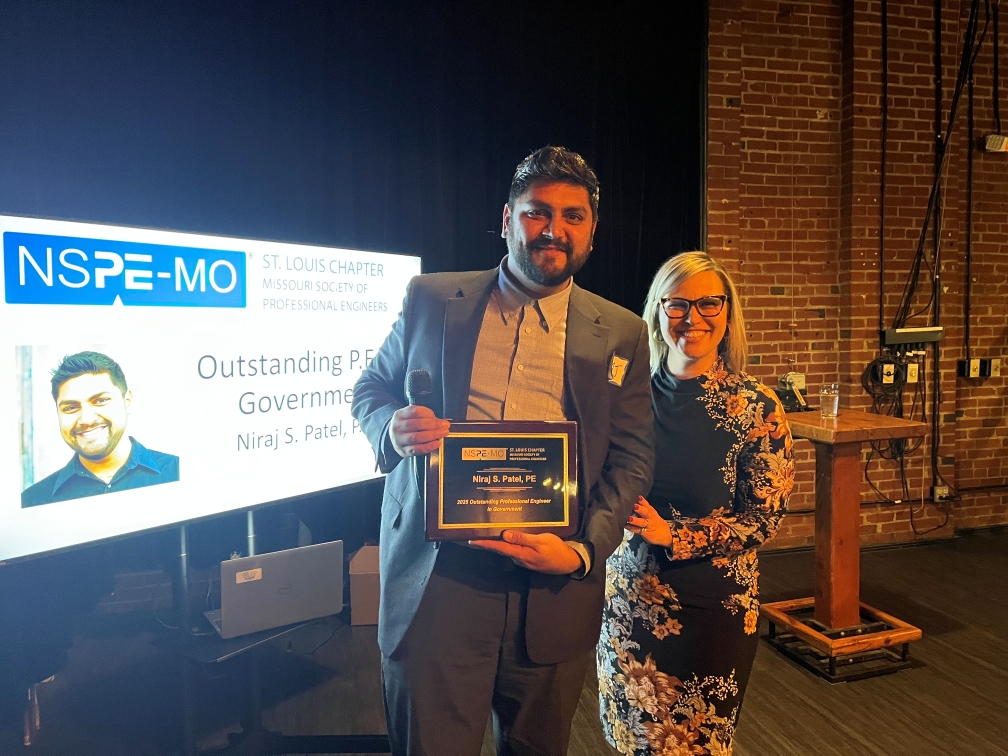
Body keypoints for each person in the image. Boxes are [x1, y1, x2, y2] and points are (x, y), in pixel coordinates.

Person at [351, 146, 654, 756]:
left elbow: (631, 457)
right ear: (508, 217)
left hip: (551, 586)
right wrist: (391, 428)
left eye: (573, 216)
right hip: (440, 580)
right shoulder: (432, 299)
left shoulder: (622, 331)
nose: (554, 229)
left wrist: (581, 551)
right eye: (537, 212)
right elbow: (370, 390)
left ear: (592, 230)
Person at [596, 252, 794, 755]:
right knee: (629, 740)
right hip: (627, 602)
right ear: (658, 311)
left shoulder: (758, 407)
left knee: (693, 747)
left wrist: (675, 535)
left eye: (709, 303)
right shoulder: (626, 395)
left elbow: (765, 518)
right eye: (678, 303)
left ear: (728, 313)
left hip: (711, 608)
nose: (693, 317)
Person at [21, 351, 179, 507]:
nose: (87, 419)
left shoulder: (178, 473)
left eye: (101, 401)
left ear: (127, 401)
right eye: (70, 408)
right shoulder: (33, 501)